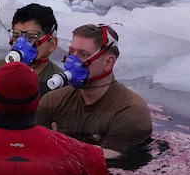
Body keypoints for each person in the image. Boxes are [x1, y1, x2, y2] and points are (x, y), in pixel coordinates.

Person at [35, 24, 153, 159]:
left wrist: (59, 146)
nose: (72, 61)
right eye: (71, 52)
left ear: (108, 63)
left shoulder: (131, 112)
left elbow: (107, 165)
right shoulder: (51, 101)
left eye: (83, 54)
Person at [0, 3, 63, 106]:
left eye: (32, 36)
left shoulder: (61, 82)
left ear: (52, 45)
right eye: (16, 35)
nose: (20, 43)